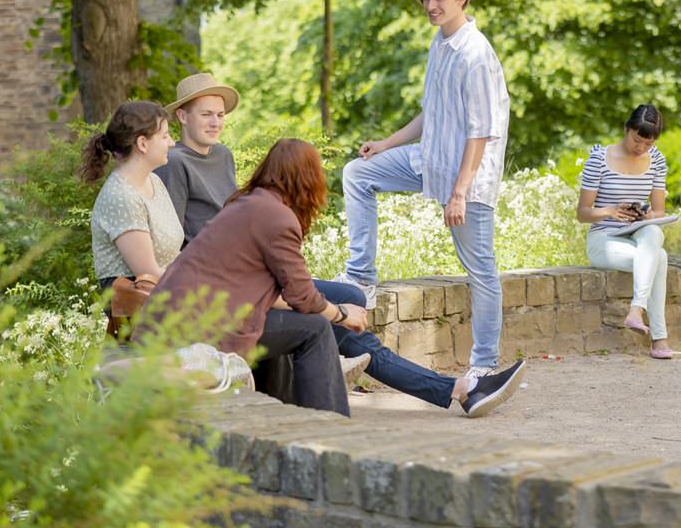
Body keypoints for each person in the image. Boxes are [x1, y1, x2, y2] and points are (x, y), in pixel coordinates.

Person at [144, 138, 525, 418]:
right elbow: (301, 298)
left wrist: (342, 307)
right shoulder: (276, 217)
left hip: (203, 310)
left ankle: (456, 389)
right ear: (306, 179)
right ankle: (330, 423)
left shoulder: (252, 203)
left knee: (346, 299)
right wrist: (340, 315)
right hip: (198, 325)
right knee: (316, 327)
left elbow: (269, 287)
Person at [338, 0, 510, 381]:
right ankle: (361, 277)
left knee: (481, 271)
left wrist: (459, 193)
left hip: (467, 177)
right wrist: (385, 144)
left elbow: (481, 131)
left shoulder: (475, 53)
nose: (431, 5)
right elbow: (430, 114)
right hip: (428, 160)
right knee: (358, 173)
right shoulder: (439, 42)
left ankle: (484, 365)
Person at [576, 105, 675, 359]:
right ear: (626, 129)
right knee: (659, 259)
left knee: (653, 231)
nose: (640, 147)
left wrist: (644, 215)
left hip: (637, 232)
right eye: (637, 139)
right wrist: (610, 211)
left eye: (648, 143)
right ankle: (659, 339)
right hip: (605, 238)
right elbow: (583, 213)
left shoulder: (658, 161)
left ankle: (636, 311)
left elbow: (659, 212)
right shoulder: (599, 158)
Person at [83, 101, 185, 294]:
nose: (172, 143)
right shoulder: (122, 196)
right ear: (142, 144)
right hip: (141, 308)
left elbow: (171, 257)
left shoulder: (154, 181)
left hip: (170, 295)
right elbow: (148, 276)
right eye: (164, 136)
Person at [154, 72, 239, 245]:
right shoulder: (173, 161)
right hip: (200, 263)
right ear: (182, 117)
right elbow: (170, 238)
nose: (215, 123)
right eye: (206, 114)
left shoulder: (223, 154)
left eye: (220, 115)